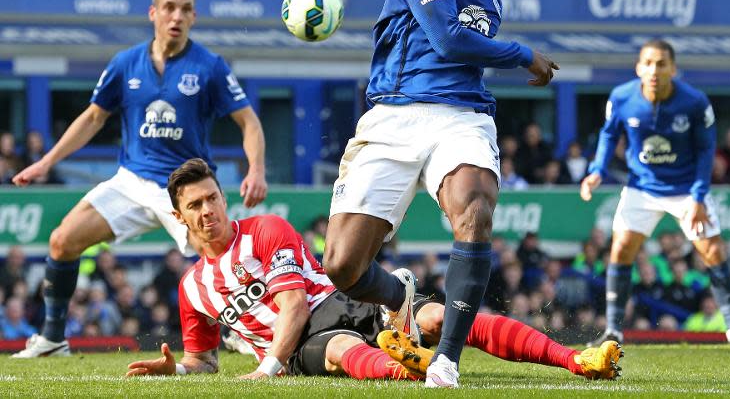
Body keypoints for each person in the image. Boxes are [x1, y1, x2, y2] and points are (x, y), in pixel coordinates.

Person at [321, 0, 559, 388]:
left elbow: (463, 53)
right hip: (393, 115)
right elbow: (449, 41)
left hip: (462, 118)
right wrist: (523, 54)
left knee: (474, 211)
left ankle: (446, 361)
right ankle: (398, 298)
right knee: (341, 267)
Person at [126, 158, 622, 381]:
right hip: (301, 348)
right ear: (180, 216)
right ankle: (413, 368)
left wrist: (265, 370)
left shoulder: (265, 229)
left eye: (212, 197)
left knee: (439, 318)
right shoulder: (192, 289)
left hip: (330, 307)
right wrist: (177, 372)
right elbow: (204, 359)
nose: (208, 210)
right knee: (342, 348)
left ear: (223, 195)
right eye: (195, 205)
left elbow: (295, 305)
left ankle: (576, 360)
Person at [10, 0, 268, 358]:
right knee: (62, 241)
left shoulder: (209, 66)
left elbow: (249, 122)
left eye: (185, 9)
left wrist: (256, 169)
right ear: (153, 13)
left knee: (216, 250)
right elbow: (94, 117)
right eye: (168, 7)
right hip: (131, 181)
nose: (176, 16)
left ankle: (243, 331)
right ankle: (52, 339)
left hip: (186, 185)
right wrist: (46, 162)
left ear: (194, 17)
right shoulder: (124, 63)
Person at [580, 39, 730, 346]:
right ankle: (613, 330)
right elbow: (609, 135)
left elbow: (706, 151)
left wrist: (699, 197)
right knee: (620, 250)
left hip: (686, 188)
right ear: (638, 67)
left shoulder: (694, 102)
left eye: (661, 64)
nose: (654, 70)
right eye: (648, 63)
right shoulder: (622, 97)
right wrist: (597, 169)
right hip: (642, 187)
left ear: (673, 69)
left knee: (713, 252)